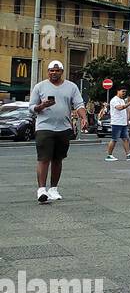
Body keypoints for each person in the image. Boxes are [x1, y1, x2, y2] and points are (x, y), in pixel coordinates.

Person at [30, 61, 88, 205]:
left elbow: (79, 104)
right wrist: (41, 106)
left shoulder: (71, 87)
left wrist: (84, 117)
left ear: (62, 71)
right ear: (48, 71)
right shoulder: (40, 86)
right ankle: (42, 190)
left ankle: (53, 189)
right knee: (44, 158)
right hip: (44, 127)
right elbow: (31, 108)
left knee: (58, 159)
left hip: (63, 127)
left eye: (56, 71)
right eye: (51, 70)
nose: (53, 73)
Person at [106, 86, 130, 161]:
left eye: (125, 92)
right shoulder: (114, 100)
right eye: (122, 91)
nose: (124, 93)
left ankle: (128, 154)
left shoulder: (122, 100)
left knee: (126, 139)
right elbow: (119, 108)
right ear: (118, 91)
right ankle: (109, 155)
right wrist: (129, 103)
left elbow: (124, 110)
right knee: (114, 139)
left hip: (122, 123)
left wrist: (126, 121)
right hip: (116, 122)